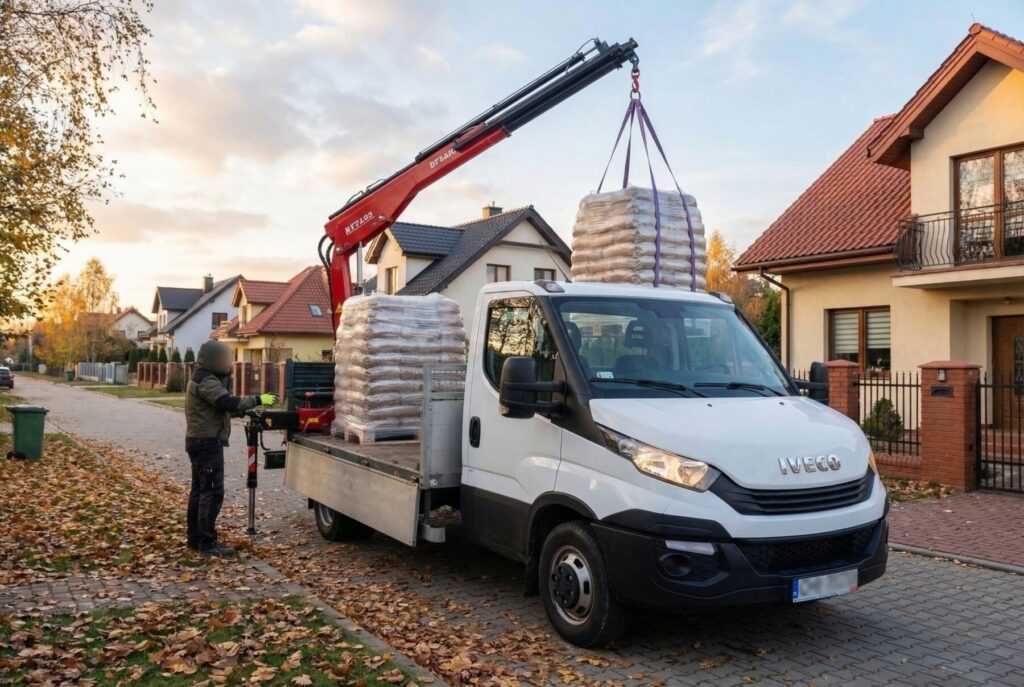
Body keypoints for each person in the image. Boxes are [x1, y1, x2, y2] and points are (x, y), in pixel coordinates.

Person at [185, 340, 276, 556]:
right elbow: (226, 402)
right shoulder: (205, 380)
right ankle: (207, 544)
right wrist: (257, 399)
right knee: (212, 492)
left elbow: (220, 409)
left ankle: (195, 539)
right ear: (212, 360)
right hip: (207, 443)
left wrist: (245, 412)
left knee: (200, 491)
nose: (228, 363)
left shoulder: (204, 377)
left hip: (200, 441)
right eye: (224, 360)